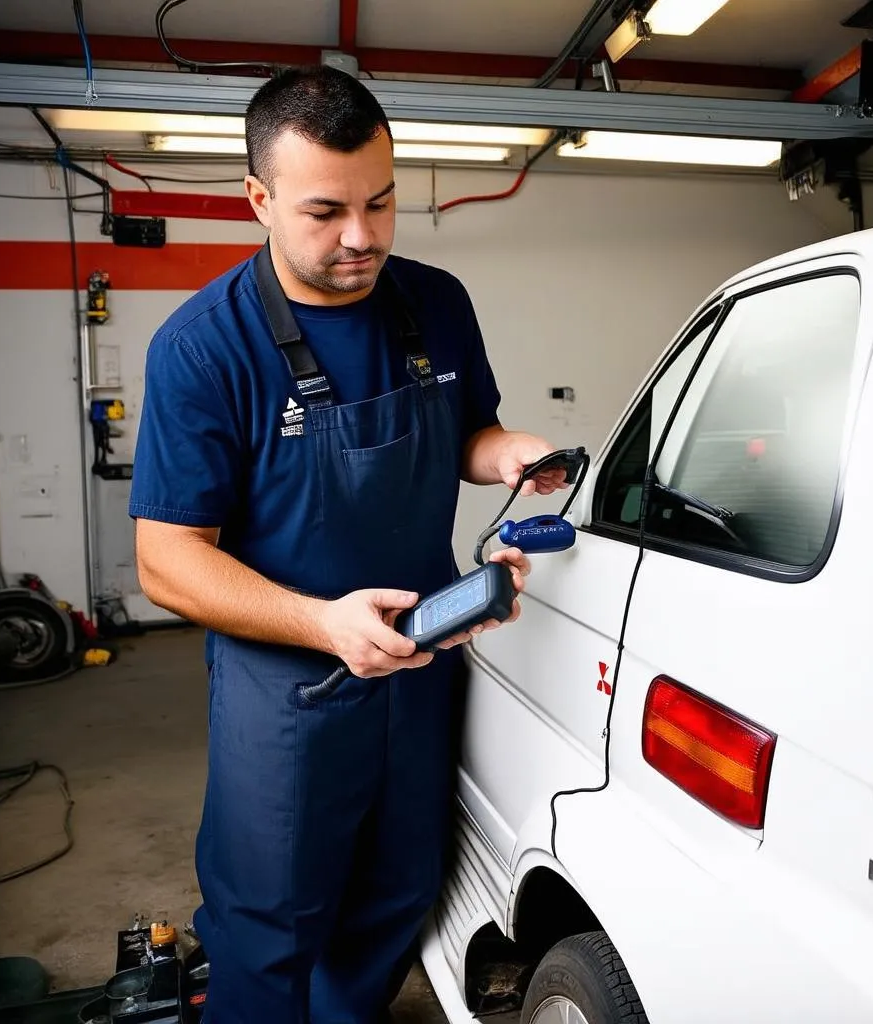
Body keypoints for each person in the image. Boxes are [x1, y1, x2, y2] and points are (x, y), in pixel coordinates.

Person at [128, 66, 568, 1024]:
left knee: (396, 896)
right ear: (259, 197)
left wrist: (511, 457)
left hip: (420, 663)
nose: (362, 236)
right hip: (286, 691)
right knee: (270, 925)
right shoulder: (204, 348)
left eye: (381, 202)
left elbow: (467, 435)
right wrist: (321, 623)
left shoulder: (436, 301)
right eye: (325, 211)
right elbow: (167, 559)